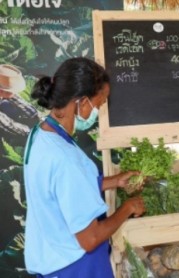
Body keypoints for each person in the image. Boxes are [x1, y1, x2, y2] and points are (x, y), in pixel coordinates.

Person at [23, 57, 145, 277]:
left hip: (51, 255)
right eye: (98, 104)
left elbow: (61, 190)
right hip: (75, 266)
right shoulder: (65, 158)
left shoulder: (40, 133)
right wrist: (127, 208)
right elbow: (90, 239)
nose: (98, 111)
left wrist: (113, 182)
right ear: (80, 101)